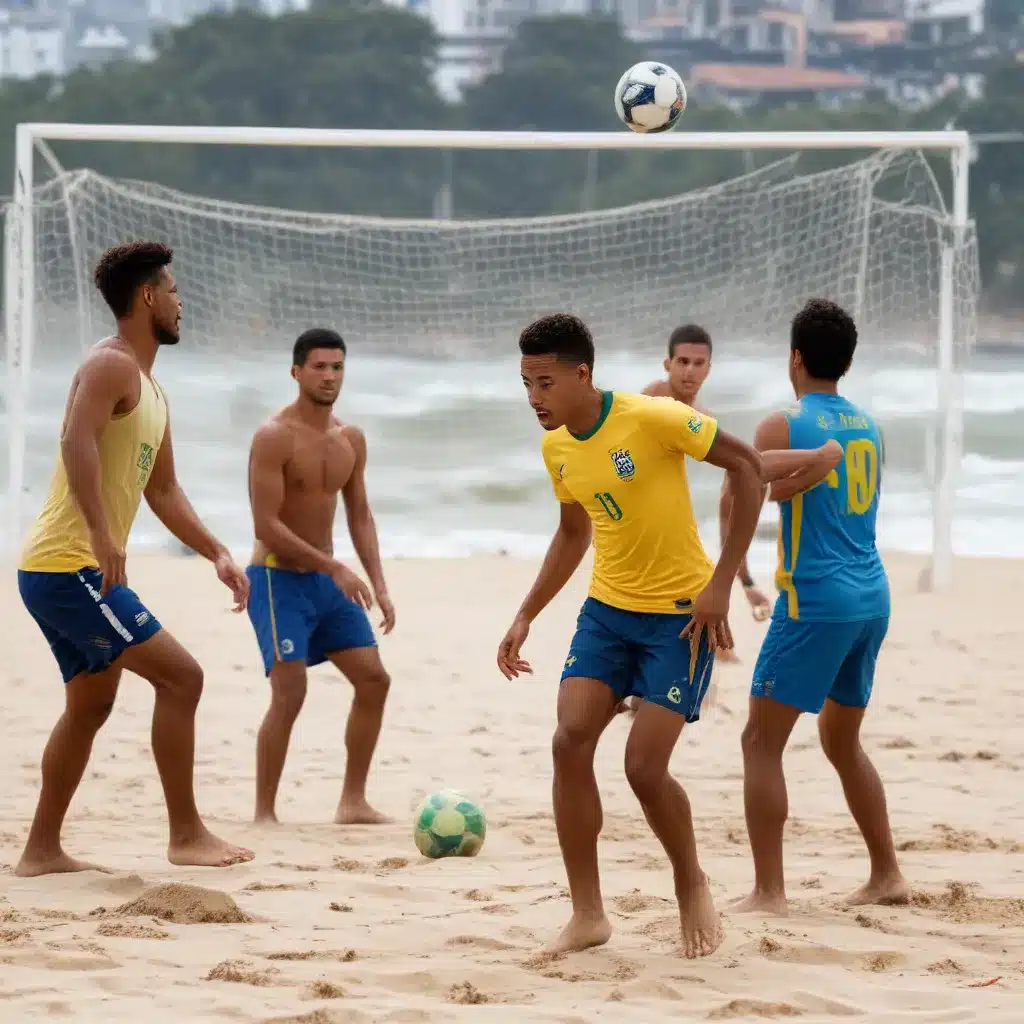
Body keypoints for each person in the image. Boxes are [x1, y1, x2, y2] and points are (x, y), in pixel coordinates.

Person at [495, 311, 770, 961]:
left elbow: (749, 469)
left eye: (543, 383)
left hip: (681, 618)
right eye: (525, 384)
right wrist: (526, 613)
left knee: (644, 767)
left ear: (581, 374)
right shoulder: (557, 444)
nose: (533, 398)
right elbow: (572, 532)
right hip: (607, 614)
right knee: (569, 742)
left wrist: (721, 583)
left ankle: (690, 881)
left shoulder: (655, 417)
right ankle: (587, 914)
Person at [15, 241, 255, 876]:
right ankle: (186, 836)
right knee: (183, 678)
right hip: (67, 566)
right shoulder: (109, 364)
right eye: (172, 291)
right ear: (148, 298)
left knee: (90, 706)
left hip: (67, 569)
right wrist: (101, 533)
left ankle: (41, 852)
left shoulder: (151, 388)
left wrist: (217, 554)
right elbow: (74, 440)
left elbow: (164, 489)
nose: (181, 302)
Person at [732, 298, 908, 916]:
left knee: (760, 741)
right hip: (871, 596)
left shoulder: (782, 424)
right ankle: (887, 874)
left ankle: (769, 893)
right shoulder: (869, 426)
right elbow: (811, 492)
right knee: (841, 741)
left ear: (795, 358)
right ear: (847, 363)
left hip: (815, 600)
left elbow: (750, 486)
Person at [245, 327, 395, 826]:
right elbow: (266, 524)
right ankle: (264, 813)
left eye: (337, 368)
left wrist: (380, 583)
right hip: (277, 579)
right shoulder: (273, 437)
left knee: (373, 680)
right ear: (296, 372)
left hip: (328, 584)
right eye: (320, 367)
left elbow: (360, 515)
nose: (330, 376)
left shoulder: (349, 439)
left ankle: (352, 802)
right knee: (290, 693)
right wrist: (334, 566)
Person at [644, 324, 771, 631]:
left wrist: (746, 581)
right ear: (667, 364)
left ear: (709, 369)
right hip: (640, 540)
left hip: (681, 544)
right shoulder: (649, 402)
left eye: (698, 363)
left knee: (755, 474)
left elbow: (728, 507)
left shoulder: (704, 422)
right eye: (682, 362)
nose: (689, 371)